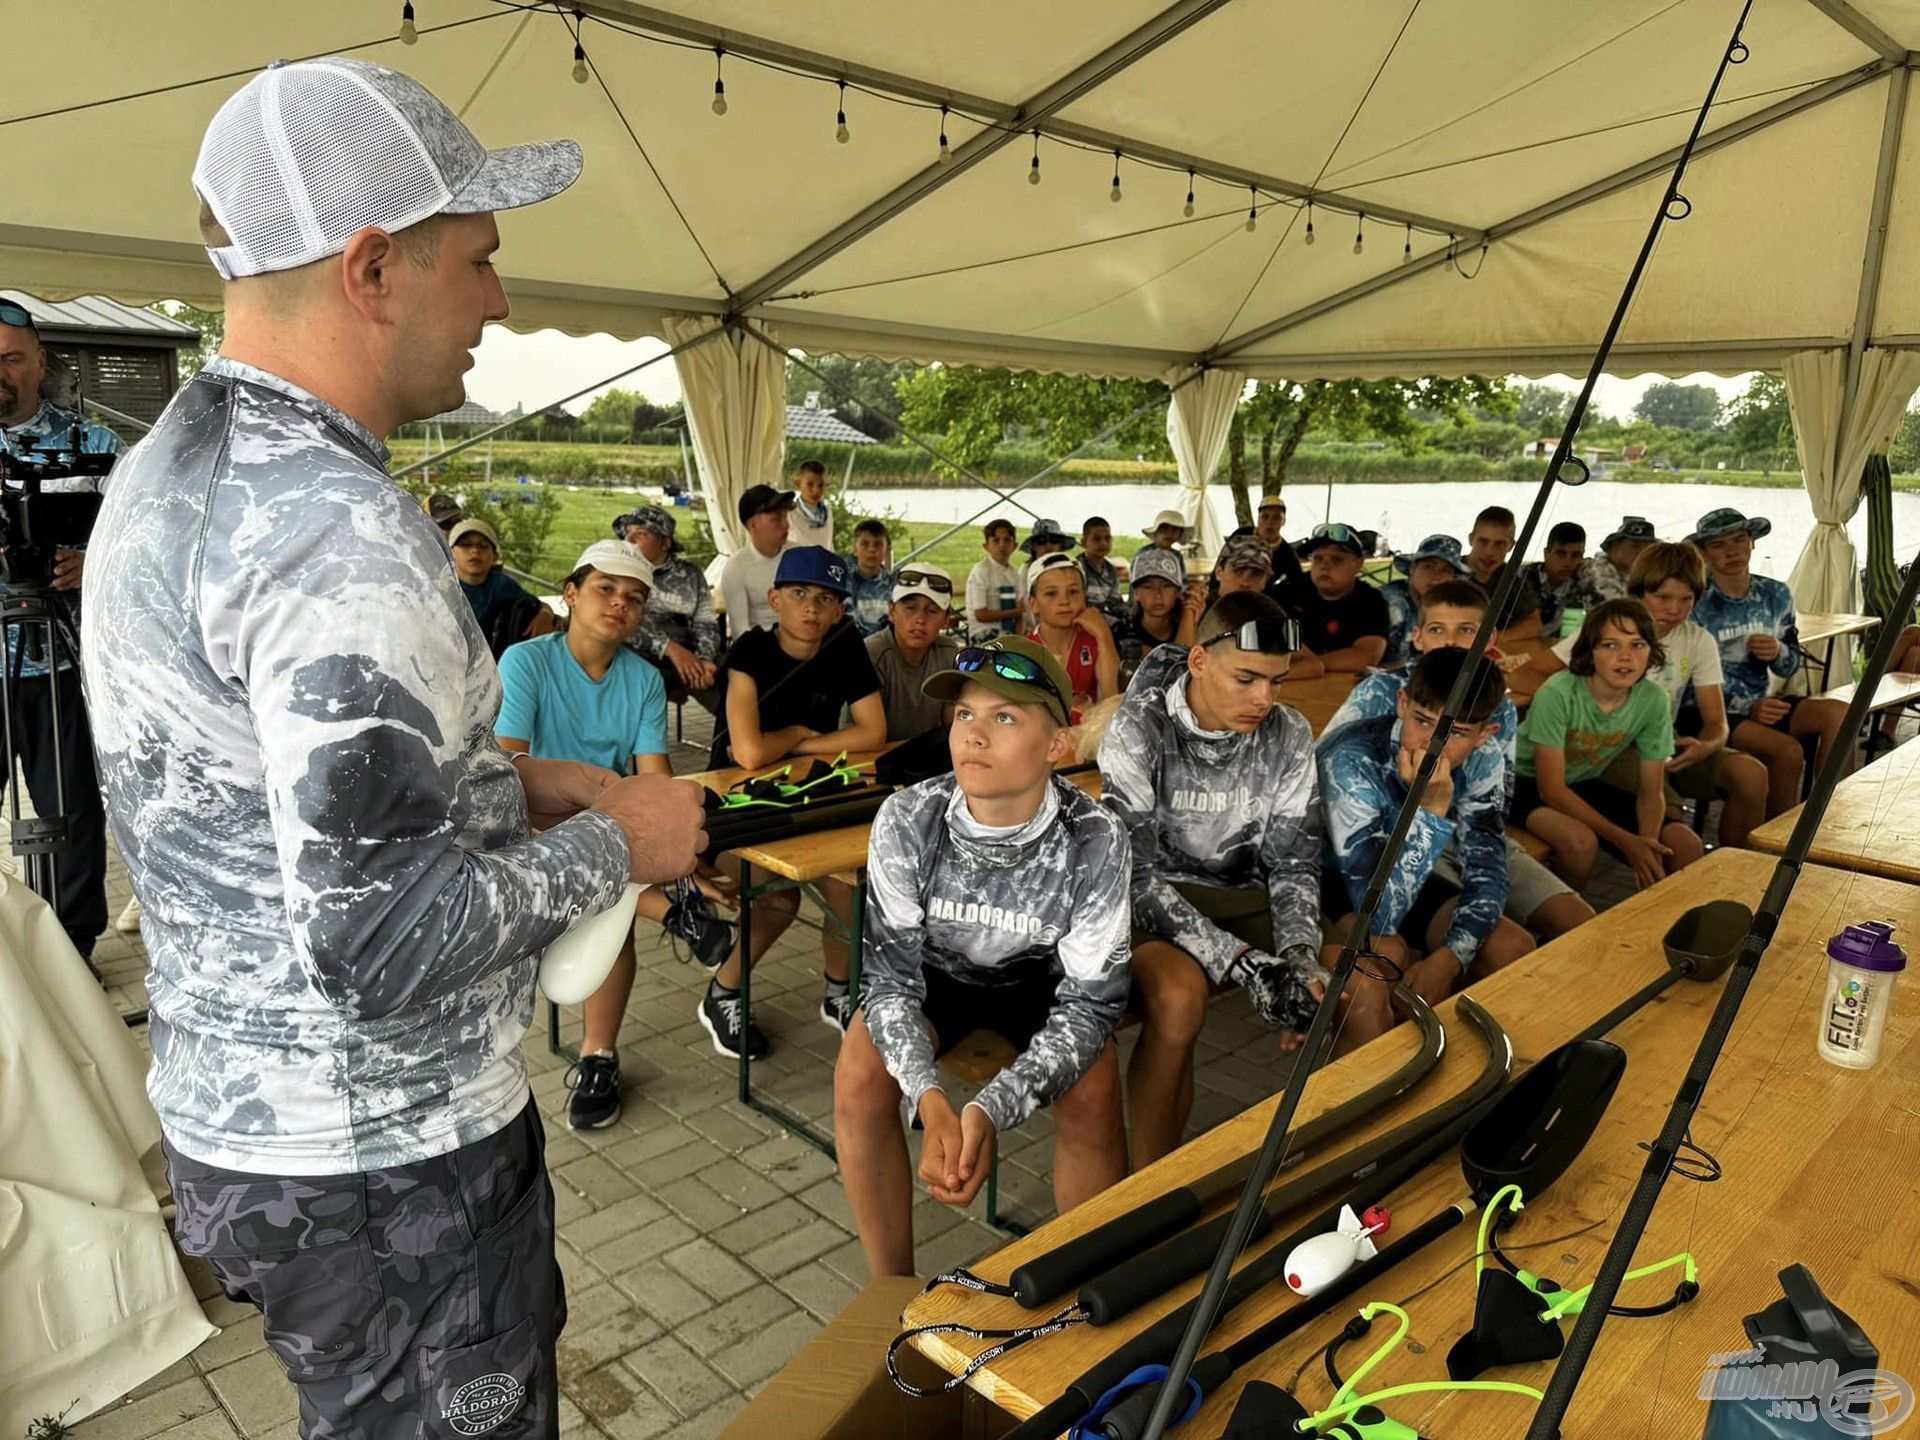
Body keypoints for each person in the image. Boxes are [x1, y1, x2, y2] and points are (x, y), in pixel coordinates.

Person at [81, 59, 708, 1438]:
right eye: (479, 260)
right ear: (372, 266)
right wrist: (628, 840)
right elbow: (377, 944)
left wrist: (503, 781)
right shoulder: (334, 532)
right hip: (383, 1167)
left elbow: (258, 789)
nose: (499, 301)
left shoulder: (177, 466)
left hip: (248, 1131)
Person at [834, 638, 1131, 1275]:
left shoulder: (1095, 834)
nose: (974, 735)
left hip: (1043, 982)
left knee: (1095, 1086)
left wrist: (990, 1106)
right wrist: (928, 1096)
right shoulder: (908, 816)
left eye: (1005, 718)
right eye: (965, 715)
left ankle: (1091, 1280)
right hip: (938, 974)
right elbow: (887, 982)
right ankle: (890, 1291)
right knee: (859, 1073)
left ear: (1056, 746)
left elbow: (1091, 1005)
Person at [497, 541, 736, 1130]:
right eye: (605, 588)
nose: (620, 604)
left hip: (611, 828)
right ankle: (673, 910)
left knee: (625, 889)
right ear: (571, 594)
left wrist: (681, 851)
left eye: (634, 597)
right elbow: (508, 767)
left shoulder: (642, 680)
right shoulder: (526, 662)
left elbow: (654, 775)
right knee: (616, 890)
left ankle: (599, 1054)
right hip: (533, 821)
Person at [1100, 593, 1326, 1165]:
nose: (1264, 700)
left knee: (1352, 989)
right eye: (1246, 678)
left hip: (1243, 893)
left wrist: (1299, 958)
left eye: (1277, 682)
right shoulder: (1138, 728)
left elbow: (1294, 860)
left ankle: (1344, 1158)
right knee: (1178, 999)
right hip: (1156, 897)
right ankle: (1151, 1184)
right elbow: (1134, 875)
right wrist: (1249, 966)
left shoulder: (1289, 731)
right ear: (1198, 661)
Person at [1320, 578, 1595, 946]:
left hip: (1466, 826)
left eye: (1466, 631)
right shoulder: (1381, 692)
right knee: (1496, 941)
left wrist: (1473, 852)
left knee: (1579, 921)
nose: (1451, 642)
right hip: (1392, 835)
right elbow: (1329, 786)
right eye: (1437, 629)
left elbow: (1492, 806)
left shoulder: (1498, 704)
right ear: (1418, 638)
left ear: (1490, 639)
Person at [708, 546, 887, 1051]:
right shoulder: (750, 650)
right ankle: (724, 989)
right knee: (778, 898)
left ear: (839, 611)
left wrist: (794, 742)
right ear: (775, 599)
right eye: (799, 594)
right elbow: (746, 754)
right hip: (731, 808)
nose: (811, 608)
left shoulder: (845, 646)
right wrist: (799, 734)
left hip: (807, 797)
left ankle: (837, 991)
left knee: (847, 880)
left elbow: (873, 731)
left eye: (826, 599)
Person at [1318, 647, 1534, 1047]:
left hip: (1409, 872)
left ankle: (1450, 1071)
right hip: (1335, 878)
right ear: (1403, 703)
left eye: (1455, 733)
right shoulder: (1351, 757)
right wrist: (1432, 810)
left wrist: (1451, 958)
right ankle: (1358, 1090)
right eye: (1423, 721)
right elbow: (1377, 914)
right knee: (1384, 957)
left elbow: (1487, 865)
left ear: (1484, 735)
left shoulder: (1484, 759)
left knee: (1511, 947)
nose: (1434, 743)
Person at [0, 296, 121, 962]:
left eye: (12, 359)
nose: (0, 372)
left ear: (40, 362)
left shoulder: (96, 445)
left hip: (63, 661)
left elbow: (144, 541)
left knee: (73, 817)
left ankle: (73, 957)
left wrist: (93, 559)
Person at [1518, 541, 1768, 848]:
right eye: (1662, 597)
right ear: (1637, 592)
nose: (1674, 609)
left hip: (1664, 735)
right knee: (1672, 820)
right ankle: (1661, 866)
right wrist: (1569, 708)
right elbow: (1527, 673)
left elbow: (1717, 721)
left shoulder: (1698, 640)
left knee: (1750, 773)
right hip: (1617, 743)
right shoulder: (1610, 628)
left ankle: (1741, 867)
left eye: (1686, 599)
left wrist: (1706, 745)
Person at [1514, 599, 1706, 890]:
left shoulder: (1653, 700)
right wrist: (1627, 841)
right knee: (1580, 842)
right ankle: (1561, 929)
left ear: (1651, 652)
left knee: (1685, 845)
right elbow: (1550, 789)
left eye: (1637, 645)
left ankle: (1655, 927)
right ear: (1590, 652)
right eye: (1610, 645)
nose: (1625, 657)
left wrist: (1648, 842)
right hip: (1520, 781)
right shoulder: (1557, 692)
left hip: (1581, 781)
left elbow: (1651, 790)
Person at [1688, 507, 1852, 816]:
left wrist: (1778, 651)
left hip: (1761, 703)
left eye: (1738, 540)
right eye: (1718, 545)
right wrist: (1748, 708)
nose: (1732, 551)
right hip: (1707, 711)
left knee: (1839, 713)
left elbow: (1789, 667)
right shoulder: (1694, 599)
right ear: (1705, 554)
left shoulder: (1775, 593)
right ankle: (1775, 846)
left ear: (1752, 542)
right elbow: (1681, 682)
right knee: (1787, 752)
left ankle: (1832, 817)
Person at [615, 503, 723, 712]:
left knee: (733, 688)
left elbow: (705, 622)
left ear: (665, 542)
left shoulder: (690, 575)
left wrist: (705, 659)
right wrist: (669, 648)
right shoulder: (620, 573)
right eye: (627, 533)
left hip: (689, 655)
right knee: (635, 690)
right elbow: (623, 621)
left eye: (641, 533)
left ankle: (742, 740)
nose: (629, 540)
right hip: (640, 657)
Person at [867, 564, 961, 741]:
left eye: (932, 611)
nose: (920, 619)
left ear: (946, 620)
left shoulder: (948, 653)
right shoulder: (871, 654)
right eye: (910, 608)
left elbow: (953, 725)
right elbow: (862, 736)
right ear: (892, 611)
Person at [1025, 552, 1120, 718]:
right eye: (1051, 593)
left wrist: (1104, 633)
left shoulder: (1095, 642)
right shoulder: (1024, 650)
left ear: (1085, 597)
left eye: (1073, 592)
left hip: (1088, 739)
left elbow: (1113, 699)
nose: (1064, 601)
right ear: (1033, 604)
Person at [447, 516, 556, 658]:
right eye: (465, 544)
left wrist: (546, 615)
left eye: (483, 546)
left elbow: (539, 604)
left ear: (495, 556)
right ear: (450, 554)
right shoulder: (441, 587)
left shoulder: (501, 585)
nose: (474, 551)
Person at [1292, 522, 1389, 674]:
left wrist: (1307, 665)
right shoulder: (1291, 590)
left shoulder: (1369, 601)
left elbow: (1367, 656)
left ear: (1359, 564)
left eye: (1337, 559)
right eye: (1317, 558)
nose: (1324, 566)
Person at [1380, 534, 1471, 667]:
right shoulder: (1394, 603)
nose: (1437, 576)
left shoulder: (1443, 606)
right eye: (1429, 566)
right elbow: (1387, 667)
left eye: (1446, 570)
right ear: (1412, 568)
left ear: (1453, 578)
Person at [719, 482, 794, 634]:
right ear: (753, 525)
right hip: (760, 647)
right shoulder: (736, 568)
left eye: (785, 517)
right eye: (776, 519)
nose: (786, 525)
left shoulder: (799, 555)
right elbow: (740, 631)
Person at [1116, 545, 1202, 677]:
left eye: (1166, 586)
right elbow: (1173, 671)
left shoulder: (1186, 624)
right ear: (1136, 594)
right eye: (1148, 587)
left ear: (1178, 592)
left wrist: (1190, 616)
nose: (1158, 595)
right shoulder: (1123, 631)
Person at [1465, 504, 1543, 639]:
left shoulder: (1508, 576)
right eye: (1483, 541)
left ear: (1511, 546)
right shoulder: (1450, 572)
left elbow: (1534, 624)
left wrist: (1490, 640)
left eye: (1499, 544)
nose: (1489, 552)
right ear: (1471, 540)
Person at [1519, 521, 1605, 637]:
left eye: (1575, 555)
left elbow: (1601, 623)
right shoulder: (1522, 577)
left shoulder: (1584, 584)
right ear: (1546, 553)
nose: (1568, 562)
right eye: (1560, 553)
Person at [966, 517, 1026, 642]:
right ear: (986, 546)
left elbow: (1021, 612)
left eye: (1007, 540)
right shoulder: (982, 571)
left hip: (1009, 633)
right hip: (983, 632)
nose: (1002, 545)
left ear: (1014, 546)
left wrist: (1021, 638)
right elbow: (981, 615)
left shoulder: (1014, 574)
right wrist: (1015, 612)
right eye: (996, 540)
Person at [843, 517, 895, 636]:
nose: (872, 550)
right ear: (855, 549)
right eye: (865, 544)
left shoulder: (894, 584)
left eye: (878, 545)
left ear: (886, 549)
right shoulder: (843, 582)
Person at [1584, 515, 1657, 601]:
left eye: (1647, 548)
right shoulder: (1588, 574)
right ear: (1615, 546)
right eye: (1635, 546)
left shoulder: (1649, 580)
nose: (1641, 553)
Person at [1079, 515, 1127, 626]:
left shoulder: (1111, 570)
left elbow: (1116, 602)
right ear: (1083, 543)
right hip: (1084, 619)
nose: (1103, 543)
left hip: (1104, 618)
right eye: (1096, 539)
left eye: (1107, 538)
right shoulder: (1079, 569)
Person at [1255, 492, 1305, 596]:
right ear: (1258, 519)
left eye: (1276, 517)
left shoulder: (1289, 556)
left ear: (1283, 521)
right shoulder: (1241, 536)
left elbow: (1297, 588)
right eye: (1265, 516)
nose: (1270, 522)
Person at [1212, 533, 1274, 602]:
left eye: (1255, 574)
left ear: (1265, 580)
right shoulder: (1200, 609)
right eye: (1238, 572)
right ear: (1219, 572)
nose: (1245, 583)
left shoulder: (1271, 611)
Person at [789, 458, 835, 549]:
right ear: (798, 484)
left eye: (821, 485)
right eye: (810, 484)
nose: (816, 490)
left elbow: (829, 543)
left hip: (825, 561)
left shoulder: (827, 510)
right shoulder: (790, 511)